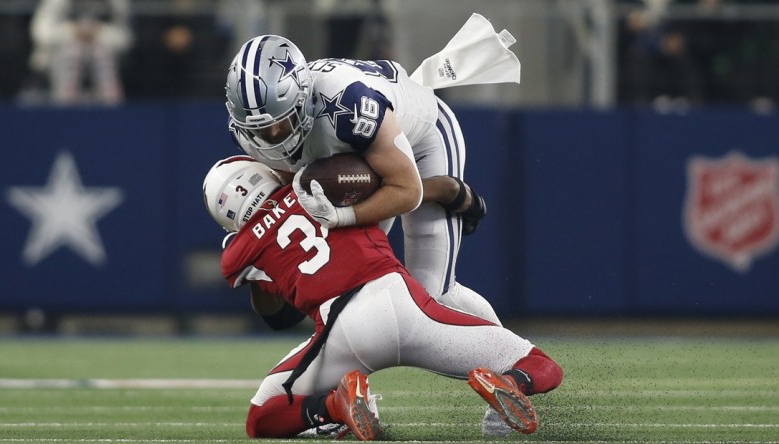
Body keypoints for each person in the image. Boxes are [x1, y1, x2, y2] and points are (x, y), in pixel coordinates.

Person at [202, 155, 563, 440]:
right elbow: (400, 188)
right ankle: (512, 382)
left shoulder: (240, 253)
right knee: (539, 363)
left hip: (342, 330)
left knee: (262, 416)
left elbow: (273, 313)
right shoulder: (321, 181)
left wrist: (257, 265)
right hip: (401, 303)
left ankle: (334, 405)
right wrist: (453, 192)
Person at [223, 34, 499, 325]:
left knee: (433, 295)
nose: (275, 134)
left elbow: (406, 190)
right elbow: (303, 187)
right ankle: (445, 191)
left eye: (282, 119)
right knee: (345, 296)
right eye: (262, 129)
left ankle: (518, 361)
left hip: (420, 140)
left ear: (303, 95)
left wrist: (343, 216)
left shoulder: (348, 104)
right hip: (351, 159)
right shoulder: (247, 134)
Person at [28, 0, 132, 105]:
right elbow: (42, 35)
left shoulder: (118, 3)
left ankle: (112, 110)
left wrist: (98, 31)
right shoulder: (56, 2)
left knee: (100, 53)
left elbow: (126, 38)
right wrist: (74, 30)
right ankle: (64, 108)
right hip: (58, 58)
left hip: (105, 57)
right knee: (73, 52)